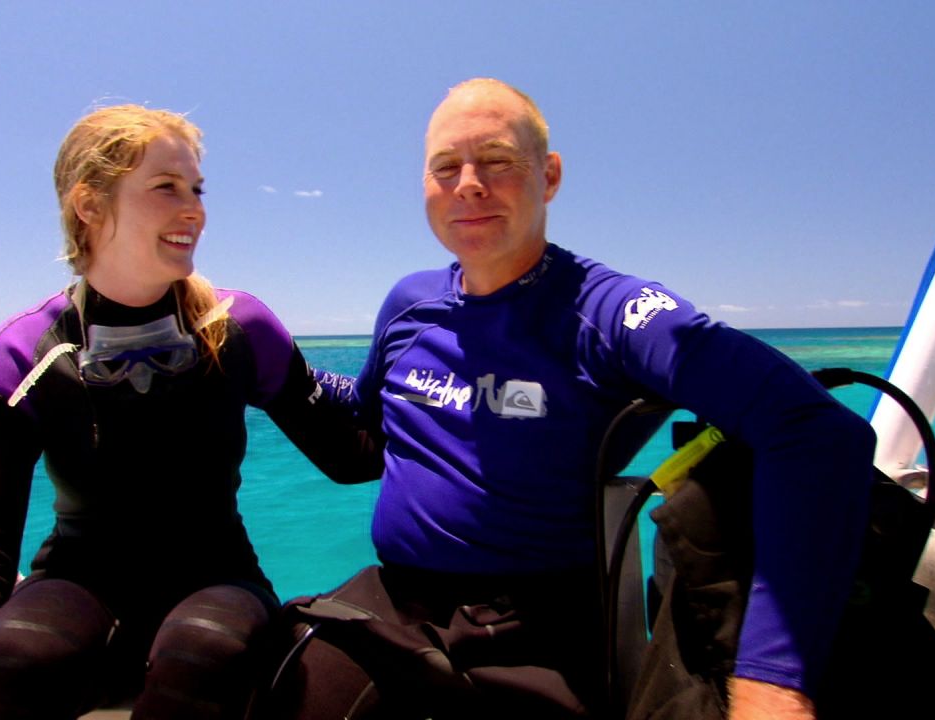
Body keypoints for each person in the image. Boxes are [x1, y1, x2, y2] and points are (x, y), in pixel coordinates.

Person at [271, 78, 877, 720]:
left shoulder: (614, 313)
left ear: (550, 176)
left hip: (536, 630)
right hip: (393, 600)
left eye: (498, 161)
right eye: (446, 167)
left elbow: (814, 431)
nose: (468, 183)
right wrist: (277, 368)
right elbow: (368, 435)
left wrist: (772, 683)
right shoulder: (408, 304)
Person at [0, 105, 377, 720]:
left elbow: (349, 455)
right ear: (89, 207)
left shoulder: (236, 327)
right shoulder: (25, 353)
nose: (194, 209)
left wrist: (453, 397)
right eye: (166, 188)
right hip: (79, 577)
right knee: (6, 672)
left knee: (203, 656)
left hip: (219, 575)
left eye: (196, 189)